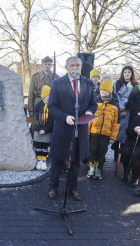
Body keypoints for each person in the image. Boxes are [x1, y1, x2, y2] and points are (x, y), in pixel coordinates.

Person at [48, 56, 97, 201]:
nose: (75, 68)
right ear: (66, 67)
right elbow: (52, 106)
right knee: (58, 158)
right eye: (72, 65)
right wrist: (65, 117)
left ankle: (73, 188)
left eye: (78, 65)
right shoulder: (58, 83)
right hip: (63, 126)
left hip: (80, 127)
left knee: (76, 159)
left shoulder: (88, 83)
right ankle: (53, 186)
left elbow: (93, 104)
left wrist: (89, 111)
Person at [87, 78, 120, 179]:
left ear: (110, 91)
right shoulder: (95, 102)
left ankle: (98, 169)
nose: (102, 91)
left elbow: (116, 123)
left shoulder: (115, 105)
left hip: (106, 135)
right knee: (92, 151)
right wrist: (87, 132)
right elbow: (89, 119)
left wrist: (113, 137)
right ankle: (91, 167)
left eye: (105, 90)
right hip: (93, 133)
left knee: (102, 152)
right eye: (101, 89)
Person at [111, 66, 137, 161]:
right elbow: (113, 96)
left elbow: (133, 99)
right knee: (115, 130)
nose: (127, 74)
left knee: (123, 132)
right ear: (122, 73)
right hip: (116, 108)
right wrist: (118, 107)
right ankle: (115, 151)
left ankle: (121, 155)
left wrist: (125, 106)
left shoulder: (135, 85)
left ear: (132, 74)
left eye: (129, 72)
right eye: (125, 72)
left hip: (127, 110)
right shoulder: (117, 83)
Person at [32, 85, 54, 170]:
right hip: (38, 130)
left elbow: (51, 120)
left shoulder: (51, 106)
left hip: (46, 130)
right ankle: (38, 160)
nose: (49, 98)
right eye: (48, 96)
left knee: (44, 146)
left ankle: (43, 160)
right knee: (38, 145)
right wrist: (39, 128)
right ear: (44, 96)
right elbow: (35, 118)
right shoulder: (38, 105)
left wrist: (45, 129)